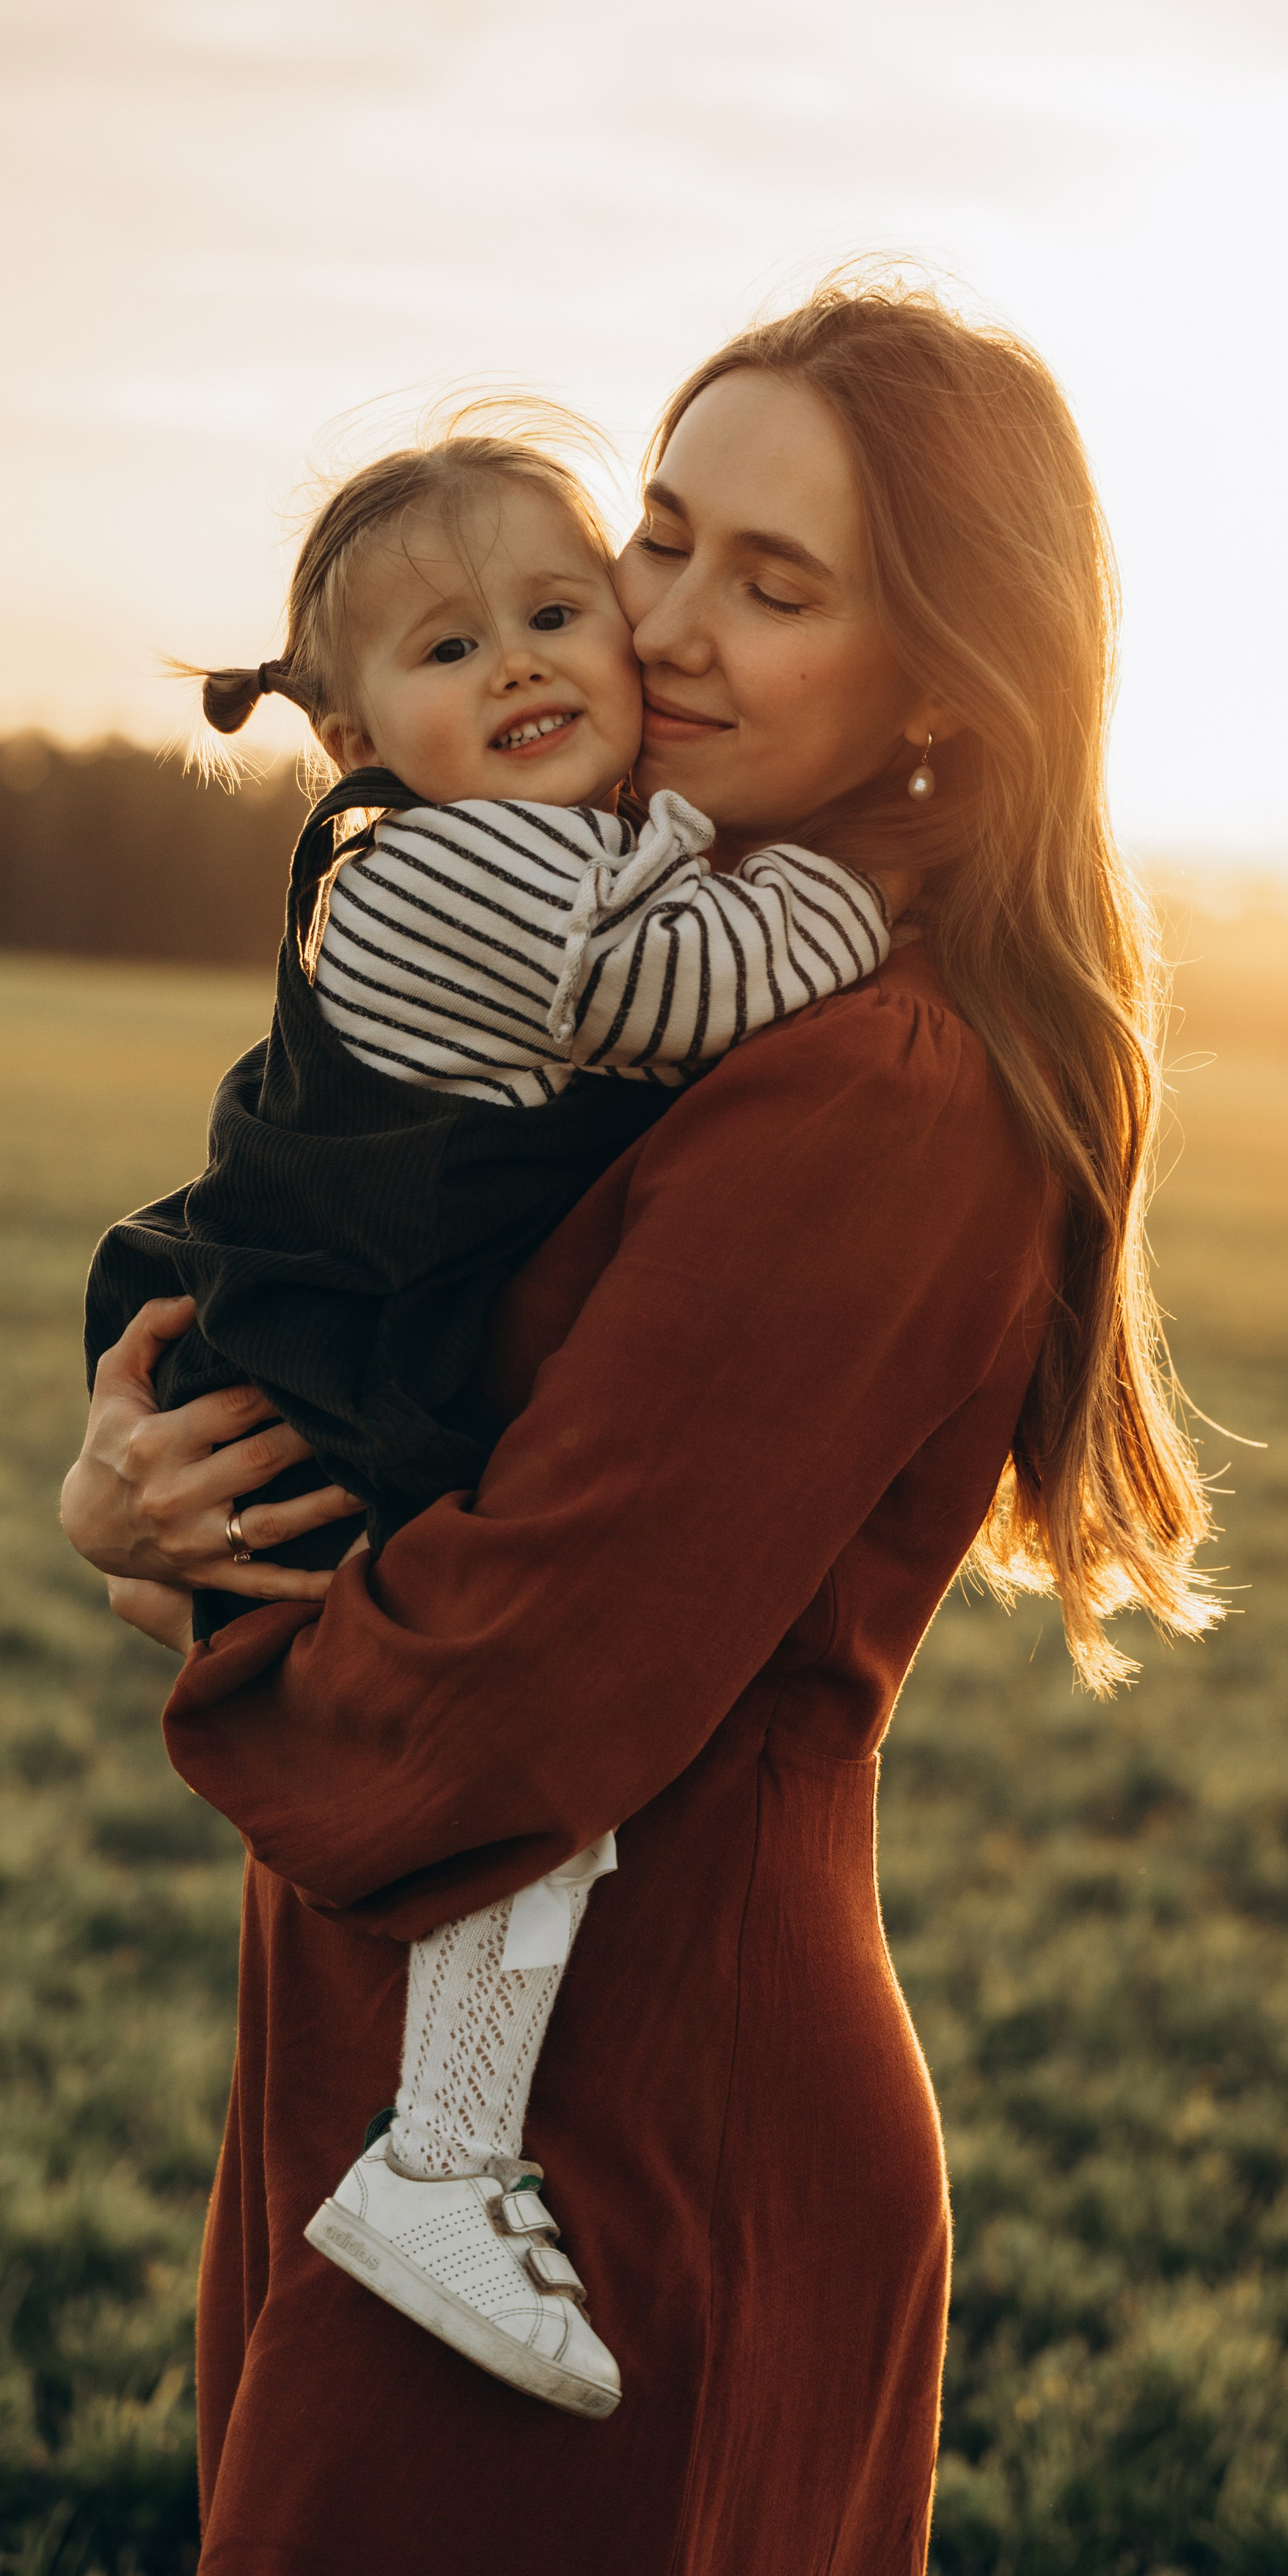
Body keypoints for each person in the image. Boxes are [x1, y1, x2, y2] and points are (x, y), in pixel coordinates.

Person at [62, 275, 1218, 2576]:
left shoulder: (880, 1079)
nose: (669, 625)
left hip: (620, 2129)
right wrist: (151, 1477)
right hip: (446, 2045)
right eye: (663, 536)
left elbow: (518, 1690)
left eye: (774, 586)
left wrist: (237, 1623)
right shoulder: (650, 977)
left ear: (949, 690)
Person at [82, 425, 895, 2421]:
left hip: (345, 1330)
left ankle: (441, 2153)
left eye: (555, 610)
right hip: (340, 1366)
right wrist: (875, 880)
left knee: (495, 1756)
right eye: (453, 650)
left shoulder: (525, 846)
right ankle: (443, 2160)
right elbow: (701, 986)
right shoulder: (464, 871)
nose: (526, 662)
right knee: (516, 1783)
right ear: (354, 737)